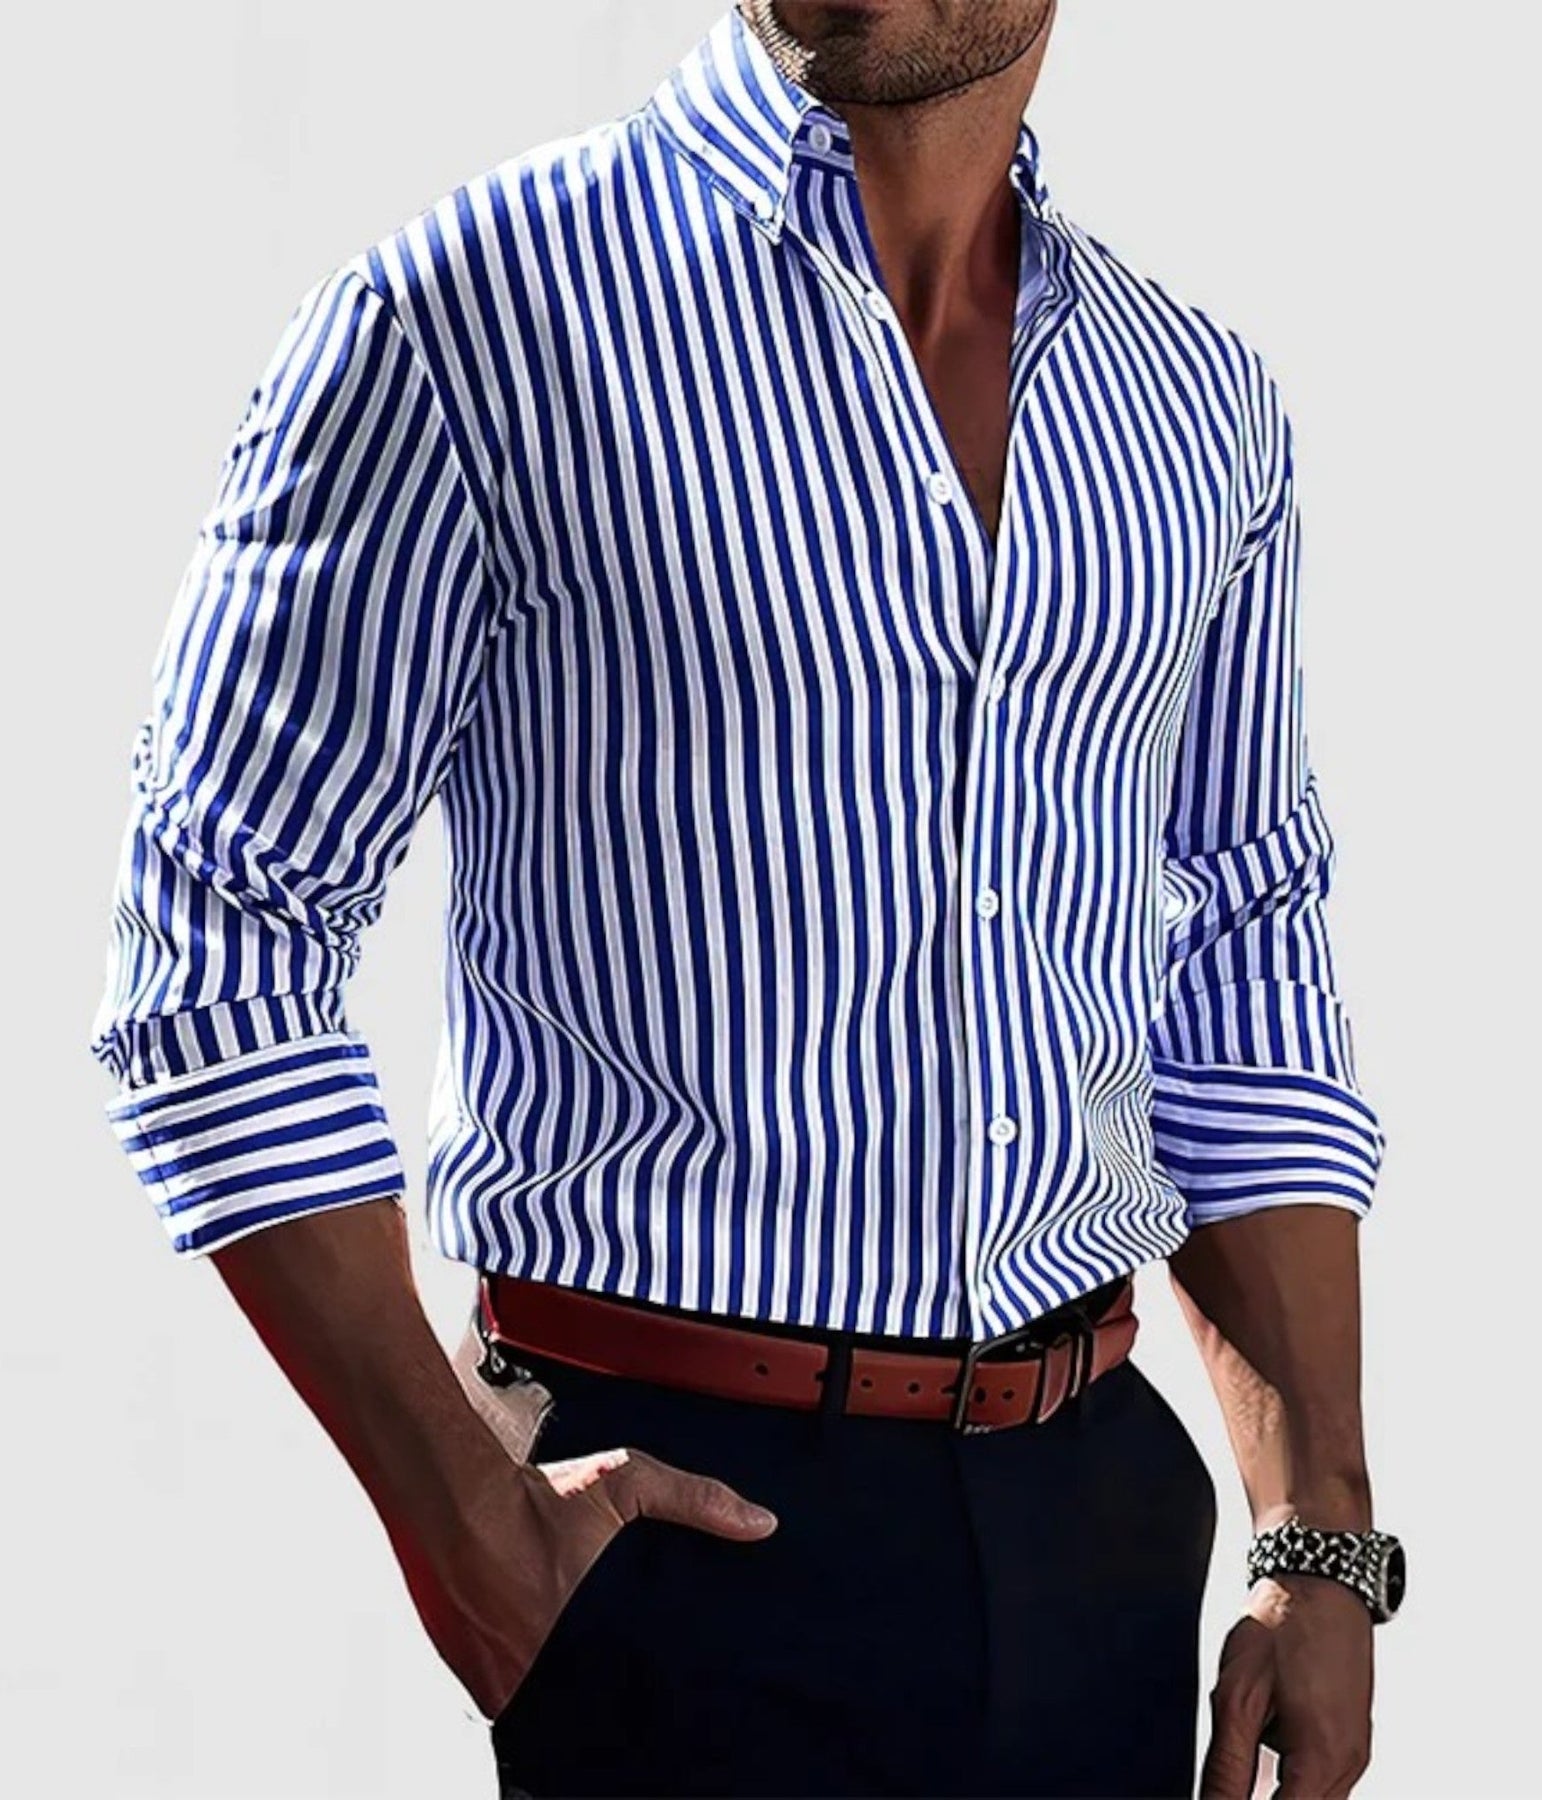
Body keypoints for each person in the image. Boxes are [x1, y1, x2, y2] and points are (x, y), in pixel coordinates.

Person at [87, 3, 1405, 1794]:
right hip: (676, 1541)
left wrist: (1316, 1533)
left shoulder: (1194, 404)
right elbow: (214, 934)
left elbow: (1245, 938)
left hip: (1094, 1522)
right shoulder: (468, 317)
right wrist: (460, 1521)